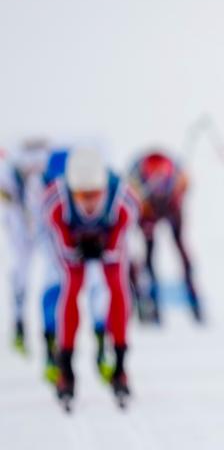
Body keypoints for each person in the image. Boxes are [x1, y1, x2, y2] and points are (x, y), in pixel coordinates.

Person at [42, 148, 137, 408]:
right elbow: (62, 245)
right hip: (74, 242)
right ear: (72, 191)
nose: (89, 202)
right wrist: (75, 248)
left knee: (117, 288)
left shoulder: (123, 200)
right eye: (82, 196)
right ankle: (66, 367)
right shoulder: (55, 202)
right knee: (71, 288)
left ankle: (120, 365)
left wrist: (104, 247)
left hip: (108, 239)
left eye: (95, 194)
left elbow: (117, 247)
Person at [127, 150, 203, 324]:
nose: (159, 189)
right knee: (148, 254)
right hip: (148, 211)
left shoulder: (178, 182)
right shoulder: (137, 186)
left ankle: (194, 301)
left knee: (181, 251)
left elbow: (186, 185)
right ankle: (149, 303)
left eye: (162, 184)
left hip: (170, 208)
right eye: (155, 186)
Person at [0, 140, 49, 354]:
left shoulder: (40, 177)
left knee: (49, 276)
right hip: (19, 226)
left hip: (38, 226)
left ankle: (47, 331)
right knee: (20, 274)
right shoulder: (7, 174)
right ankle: (19, 324)